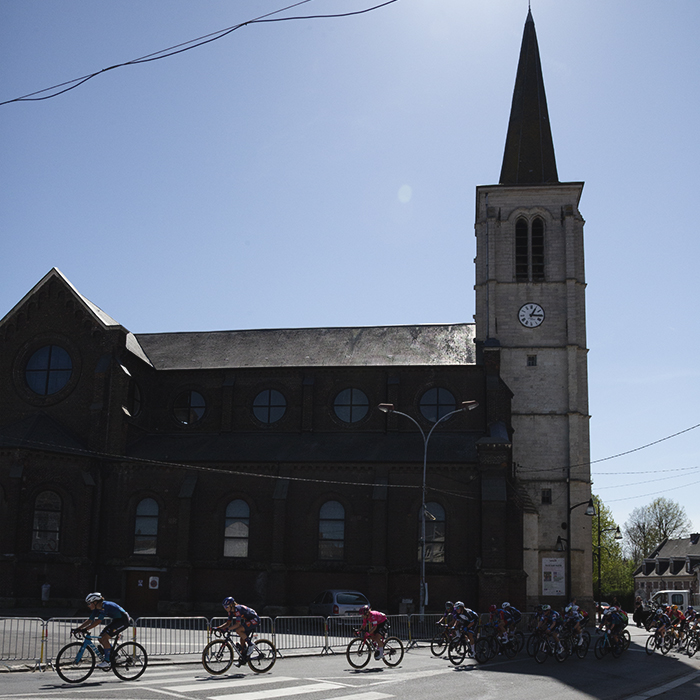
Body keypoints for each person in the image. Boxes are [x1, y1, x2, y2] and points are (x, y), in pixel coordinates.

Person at [73, 592, 132, 669]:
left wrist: (86, 629)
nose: (88, 605)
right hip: (117, 620)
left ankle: (107, 662)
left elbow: (98, 621)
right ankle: (114, 654)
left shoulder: (104, 606)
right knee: (100, 638)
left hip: (124, 620)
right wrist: (79, 628)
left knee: (104, 638)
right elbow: (90, 620)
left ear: (95, 602)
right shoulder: (96, 608)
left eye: (89, 603)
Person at [215, 597, 261, 665]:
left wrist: (227, 629)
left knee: (238, 630)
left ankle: (251, 644)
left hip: (255, 619)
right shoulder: (231, 611)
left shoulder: (237, 609)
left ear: (231, 605)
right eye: (224, 607)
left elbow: (237, 624)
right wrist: (218, 628)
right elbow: (228, 623)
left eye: (226, 606)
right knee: (242, 639)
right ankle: (243, 658)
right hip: (249, 620)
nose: (225, 608)